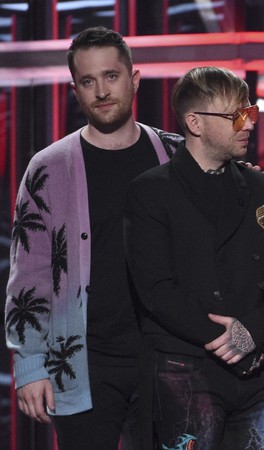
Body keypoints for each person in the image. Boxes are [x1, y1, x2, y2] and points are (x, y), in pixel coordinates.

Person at [4, 27, 182, 449]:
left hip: (168, 358)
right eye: (88, 81)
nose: (101, 90)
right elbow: (27, 275)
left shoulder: (177, 157)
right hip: (80, 361)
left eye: (111, 76)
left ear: (134, 80)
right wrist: (29, 363)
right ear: (75, 91)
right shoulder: (47, 168)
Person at [123, 66, 264, 450]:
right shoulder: (150, 192)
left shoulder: (263, 187)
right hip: (184, 367)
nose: (248, 124)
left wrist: (251, 332)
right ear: (194, 123)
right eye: (236, 116)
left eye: (250, 113)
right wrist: (227, 337)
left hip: (256, 366)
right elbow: (155, 289)